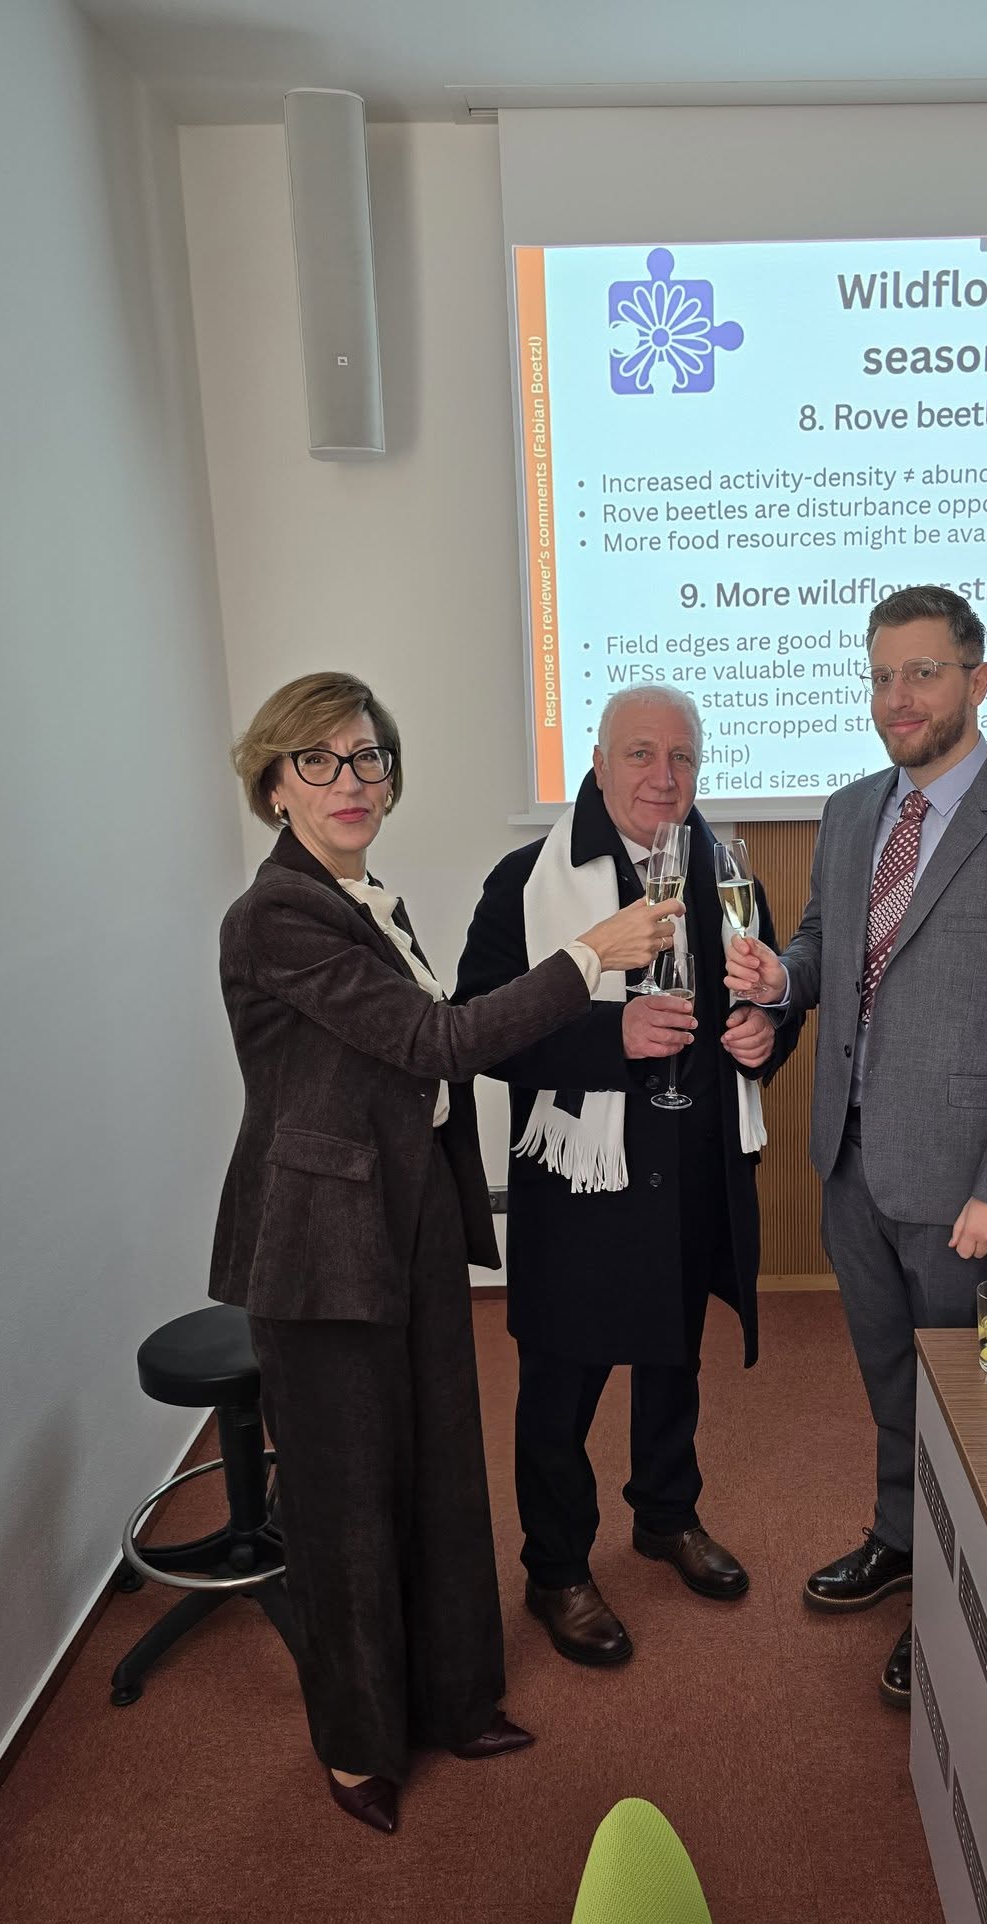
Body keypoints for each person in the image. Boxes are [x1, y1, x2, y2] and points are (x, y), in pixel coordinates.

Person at [209, 671, 679, 1832]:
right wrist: (588, 956)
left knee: (437, 1469)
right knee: (344, 1503)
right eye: (319, 759)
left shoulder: (367, 897)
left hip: (407, 1216)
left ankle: (458, 1698)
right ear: (274, 783)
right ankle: (358, 1743)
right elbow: (437, 1039)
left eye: (367, 756)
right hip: (318, 1245)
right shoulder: (275, 915)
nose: (351, 779)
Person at [725, 585, 987, 1703]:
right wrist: (782, 979)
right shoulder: (852, 811)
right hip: (848, 1162)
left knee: (974, 1404)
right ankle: (901, 1538)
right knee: (891, 1378)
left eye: (924, 672)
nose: (899, 696)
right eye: (883, 675)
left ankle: (957, 1601)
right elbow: (823, 945)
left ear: (978, 681)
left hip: (966, 1191)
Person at [454, 686, 800, 1665]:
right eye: (640, 753)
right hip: (583, 1184)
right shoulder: (526, 883)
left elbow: (770, 1002)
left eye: (682, 757)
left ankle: (665, 1514)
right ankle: (556, 1566)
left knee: (672, 1358)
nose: (663, 775)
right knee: (560, 1389)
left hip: (692, 1171)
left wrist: (767, 1033)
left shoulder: (728, 877)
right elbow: (479, 1028)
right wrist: (611, 1036)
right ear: (598, 765)